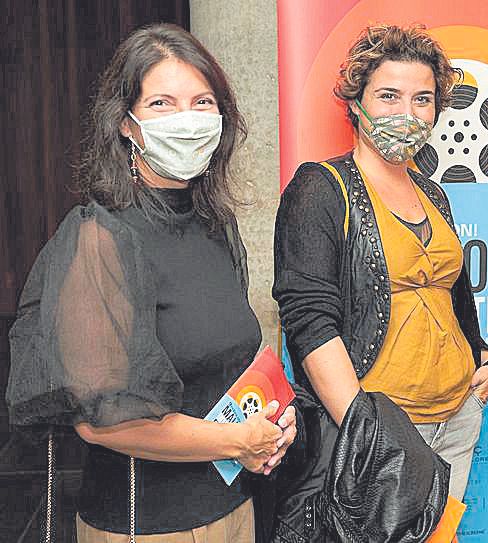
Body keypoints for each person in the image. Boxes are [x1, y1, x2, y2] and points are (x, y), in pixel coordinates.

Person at [6, 24, 296, 542]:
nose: (187, 120)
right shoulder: (101, 238)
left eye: (202, 101)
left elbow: (228, 358)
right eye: (162, 103)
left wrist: (273, 422)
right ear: (126, 124)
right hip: (145, 525)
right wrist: (237, 442)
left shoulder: (215, 225)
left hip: (235, 510)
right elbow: (102, 421)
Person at [271, 24, 488, 541]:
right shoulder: (320, 188)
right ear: (356, 104)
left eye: (423, 98)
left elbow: (452, 296)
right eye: (388, 95)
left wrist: (484, 354)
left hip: (458, 417)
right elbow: (308, 319)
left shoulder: (432, 194)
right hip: (383, 433)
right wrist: (367, 434)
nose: (407, 112)